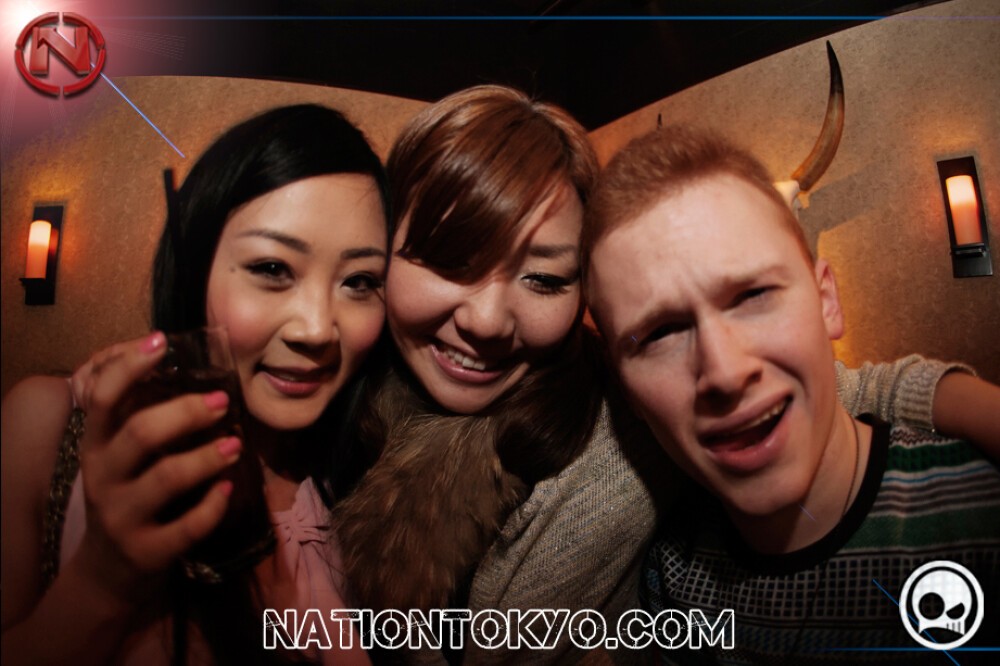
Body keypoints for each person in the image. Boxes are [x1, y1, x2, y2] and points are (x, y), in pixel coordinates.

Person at [330, 86, 995, 664]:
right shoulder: (328, 401)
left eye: (544, 279)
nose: (485, 320)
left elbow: (830, 391)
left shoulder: (625, 425)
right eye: (450, 261)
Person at [583, 125, 1000, 663]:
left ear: (827, 302)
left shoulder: (980, 507)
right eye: (661, 333)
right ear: (628, 394)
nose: (725, 372)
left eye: (752, 295)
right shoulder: (672, 585)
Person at [1, 104, 389, 665]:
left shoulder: (373, 484)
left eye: (359, 281)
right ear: (196, 269)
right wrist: (103, 582)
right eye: (273, 269)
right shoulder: (49, 425)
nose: (316, 329)